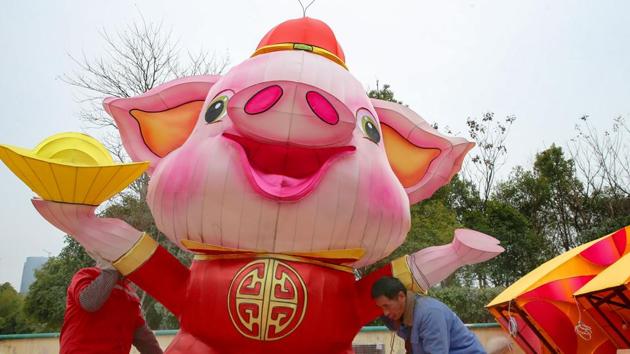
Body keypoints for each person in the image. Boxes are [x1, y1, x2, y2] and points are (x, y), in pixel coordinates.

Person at [59, 253, 163, 354]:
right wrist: (111, 271)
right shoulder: (86, 274)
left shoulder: (129, 293)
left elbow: (143, 338)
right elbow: (89, 303)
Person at [371, 276, 486, 354]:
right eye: (381, 308)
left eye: (386, 306)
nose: (385, 313)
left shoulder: (429, 314)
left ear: (401, 296)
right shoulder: (404, 317)